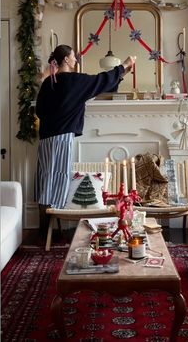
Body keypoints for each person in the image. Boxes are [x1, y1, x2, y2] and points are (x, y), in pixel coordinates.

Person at [34, 44, 135, 233]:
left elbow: (39, 111)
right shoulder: (74, 81)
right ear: (66, 59)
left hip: (45, 139)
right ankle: (51, 231)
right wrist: (124, 66)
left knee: (45, 180)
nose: (76, 60)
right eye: (73, 57)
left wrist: (122, 72)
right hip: (62, 138)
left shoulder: (49, 82)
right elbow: (101, 80)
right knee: (58, 180)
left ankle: (45, 231)